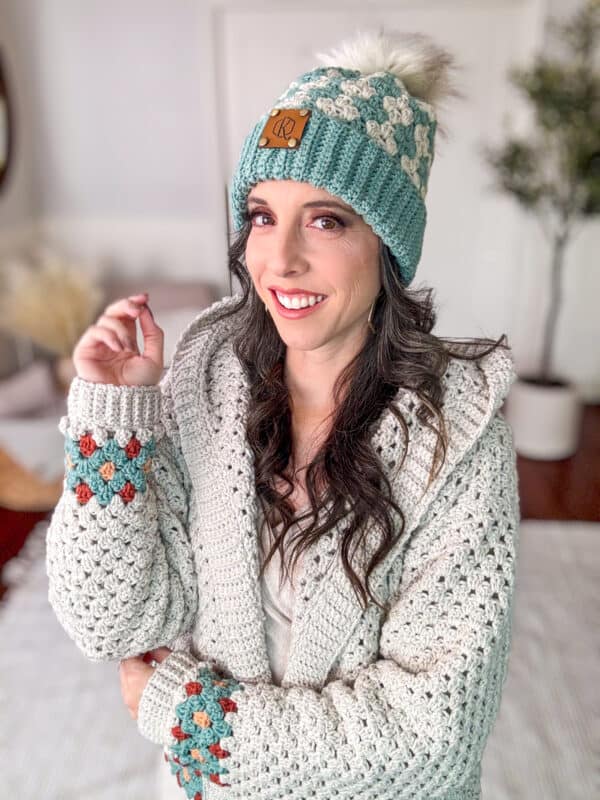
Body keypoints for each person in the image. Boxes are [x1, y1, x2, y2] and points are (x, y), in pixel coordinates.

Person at [46, 29, 521, 800]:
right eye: (264, 216)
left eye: (326, 221)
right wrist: (115, 412)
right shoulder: (205, 378)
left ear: (387, 247)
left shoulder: (456, 434)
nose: (280, 261)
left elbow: (427, 743)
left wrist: (183, 711)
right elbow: (113, 623)